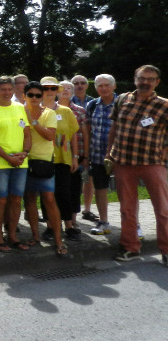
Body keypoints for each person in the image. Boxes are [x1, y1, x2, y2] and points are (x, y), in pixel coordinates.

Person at [107, 65, 168, 263]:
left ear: (157, 82)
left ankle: (166, 250)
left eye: (151, 79)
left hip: (152, 163)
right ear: (135, 79)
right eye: (142, 78)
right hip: (123, 162)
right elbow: (114, 127)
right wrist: (109, 154)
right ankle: (131, 248)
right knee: (127, 209)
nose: (145, 82)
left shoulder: (164, 105)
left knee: (163, 209)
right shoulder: (122, 99)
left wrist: (163, 154)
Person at [21, 78, 69, 257]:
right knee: (30, 199)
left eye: (38, 95)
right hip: (25, 160)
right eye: (30, 95)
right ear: (24, 96)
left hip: (44, 161)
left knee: (49, 199)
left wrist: (33, 121)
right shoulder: (18, 111)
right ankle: (35, 236)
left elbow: (50, 136)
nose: (34, 98)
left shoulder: (48, 113)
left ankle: (58, 239)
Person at [0, 76, 31, 253]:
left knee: (16, 199)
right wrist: (9, 158)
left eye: (10, 89)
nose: (7, 93)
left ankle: (13, 235)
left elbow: (27, 134)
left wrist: (24, 153)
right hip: (0, 164)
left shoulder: (20, 107)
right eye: (3, 89)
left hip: (20, 161)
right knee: (1, 200)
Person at [86, 74, 118, 236]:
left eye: (106, 85)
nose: (103, 88)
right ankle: (103, 221)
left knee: (127, 191)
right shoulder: (92, 105)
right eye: (100, 85)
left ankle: (134, 224)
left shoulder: (124, 104)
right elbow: (88, 132)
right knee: (100, 190)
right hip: (98, 156)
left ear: (114, 86)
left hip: (120, 157)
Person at [56, 80, 84, 241]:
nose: (65, 91)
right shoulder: (41, 109)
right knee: (50, 194)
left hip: (68, 157)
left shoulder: (72, 111)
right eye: (62, 88)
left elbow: (77, 134)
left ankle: (70, 224)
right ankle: (52, 226)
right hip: (47, 157)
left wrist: (78, 156)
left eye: (68, 88)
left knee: (67, 192)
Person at [71, 74, 98, 222]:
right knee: (72, 181)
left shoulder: (93, 103)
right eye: (76, 83)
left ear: (87, 85)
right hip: (73, 149)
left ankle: (87, 209)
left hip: (89, 146)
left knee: (88, 179)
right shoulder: (66, 102)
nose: (80, 85)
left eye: (82, 83)